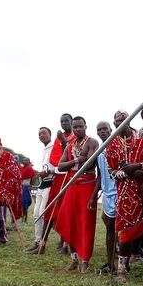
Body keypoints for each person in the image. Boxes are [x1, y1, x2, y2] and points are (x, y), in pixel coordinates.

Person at [106, 110, 143, 283]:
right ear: (115, 124)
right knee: (125, 231)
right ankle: (121, 271)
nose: (122, 124)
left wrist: (139, 166)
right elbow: (111, 173)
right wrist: (128, 173)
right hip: (125, 193)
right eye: (118, 122)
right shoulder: (111, 144)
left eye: (125, 120)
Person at [54, 117, 99, 273]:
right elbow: (60, 166)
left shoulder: (93, 142)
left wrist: (77, 161)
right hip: (72, 186)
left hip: (87, 185)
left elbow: (90, 162)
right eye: (75, 127)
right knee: (69, 222)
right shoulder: (70, 146)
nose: (77, 129)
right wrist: (76, 161)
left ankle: (85, 260)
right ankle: (74, 259)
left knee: (85, 224)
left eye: (80, 126)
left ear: (86, 126)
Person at [43, 114, 75, 253]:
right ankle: (42, 243)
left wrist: (63, 142)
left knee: (66, 210)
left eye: (66, 121)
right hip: (58, 177)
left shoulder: (76, 137)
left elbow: (70, 157)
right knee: (51, 207)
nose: (64, 124)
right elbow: (56, 159)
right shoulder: (57, 139)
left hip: (71, 178)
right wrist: (61, 142)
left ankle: (65, 244)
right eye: (61, 121)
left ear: (72, 122)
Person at [92, 121, 118, 274]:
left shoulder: (116, 147)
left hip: (118, 192)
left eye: (104, 129)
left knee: (117, 229)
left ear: (111, 130)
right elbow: (100, 174)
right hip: (107, 194)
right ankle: (110, 263)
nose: (102, 132)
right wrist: (93, 196)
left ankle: (121, 263)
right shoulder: (99, 150)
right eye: (99, 130)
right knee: (109, 227)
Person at [26, 127, 55, 254]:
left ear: (50, 134)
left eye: (44, 133)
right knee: (36, 215)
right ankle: (37, 242)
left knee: (44, 214)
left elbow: (58, 165)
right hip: (42, 185)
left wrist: (47, 172)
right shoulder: (44, 149)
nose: (41, 135)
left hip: (50, 183)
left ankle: (43, 244)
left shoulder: (54, 147)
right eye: (39, 134)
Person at [19, 157, 36, 223]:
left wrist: (30, 185)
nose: (24, 161)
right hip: (22, 186)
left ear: (29, 162)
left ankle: (25, 219)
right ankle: (23, 218)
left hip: (26, 186)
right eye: (24, 160)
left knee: (24, 203)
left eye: (26, 160)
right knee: (22, 203)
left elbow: (34, 177)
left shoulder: (29, 168)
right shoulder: (23, 168)